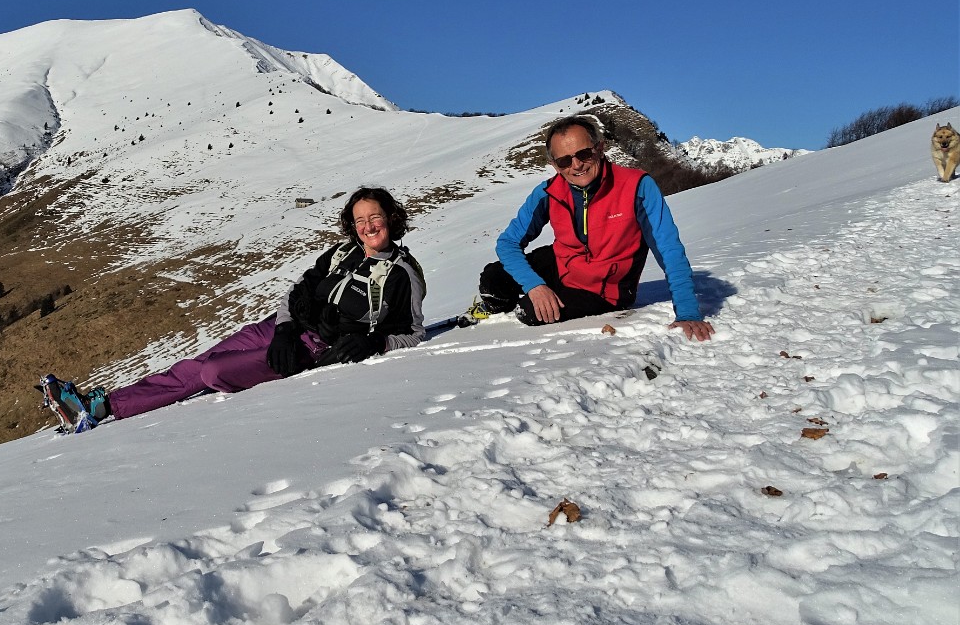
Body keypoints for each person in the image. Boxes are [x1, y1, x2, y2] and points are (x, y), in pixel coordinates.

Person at [39, 187, 427, 432]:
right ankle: (101, 406)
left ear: (391, 218)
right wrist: (287, 328)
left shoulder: (403, 273)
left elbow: (413, 333)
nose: (367, 226)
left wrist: (374, 343)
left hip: (315, 350)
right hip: (281, 329)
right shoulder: (341, 253)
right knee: (195, 364)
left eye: (374, 217)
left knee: (212, 372)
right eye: (360, 220)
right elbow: (298, 291)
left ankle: (101, 408)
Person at [476, 115, 715, 341]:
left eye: (584, 154)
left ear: (599, 149)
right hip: (563, 263)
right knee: (493, 278)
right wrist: (535, 285)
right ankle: (494, 311)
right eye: (564, 160)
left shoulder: (637, 186)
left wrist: (687, 312)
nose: (577, 165)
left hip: (605, 288)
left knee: (530, 311)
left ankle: (519, 307)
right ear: (554, 165)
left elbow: (668, 249)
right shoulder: (548, 192)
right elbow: (508, 243)